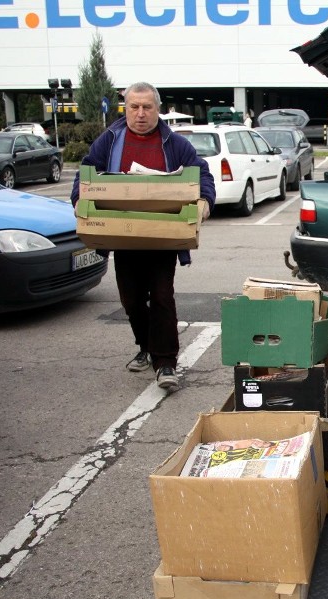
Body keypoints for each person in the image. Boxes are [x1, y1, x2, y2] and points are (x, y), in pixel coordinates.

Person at [71, 82, 215, 391]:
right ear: (125, 108)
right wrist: (77, 201)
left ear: (157, 109)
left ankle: (166, 364)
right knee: (132, 301)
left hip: (163, 237)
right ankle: (146, 345)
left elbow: (202, 173)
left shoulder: (175, 144)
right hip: (124, 236)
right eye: (133, 107)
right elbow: (86, 171)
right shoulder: (110, 141)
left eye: (147, 107)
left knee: (162, 296)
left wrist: (204, 200)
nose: (140, 113)